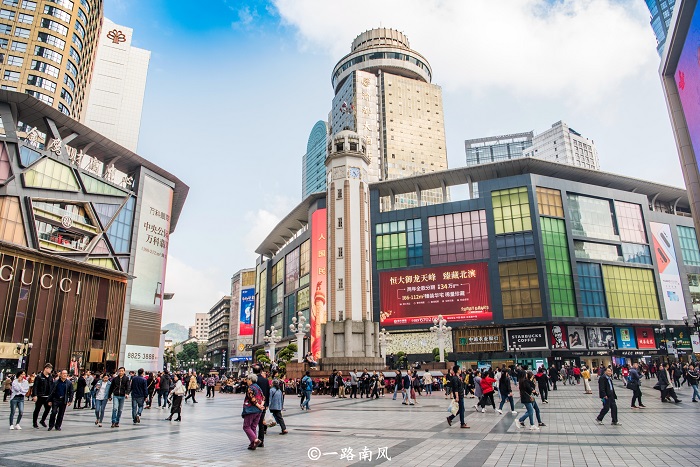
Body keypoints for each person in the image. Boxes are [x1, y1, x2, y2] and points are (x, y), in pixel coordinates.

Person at [242, 374, 265, 450]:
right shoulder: (258, 387)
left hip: (251, 410)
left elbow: (252, 399)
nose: (247, 381)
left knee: (246, 426)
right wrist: (261, 405)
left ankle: (255, 440)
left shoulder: (250, 388)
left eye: (247, 380)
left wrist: (258, 406)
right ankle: (253, 444)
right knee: (253, 427)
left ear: (250, 380)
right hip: (259, 411)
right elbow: (263, 397)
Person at [253, 365, 270, 448]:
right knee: (260, 424)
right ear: (260, 371)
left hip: (254, 404)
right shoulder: (265, 380)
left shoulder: (253, 380)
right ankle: (261, 441)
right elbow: (268, 392)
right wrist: (266, 404)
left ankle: (254, 440)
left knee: (252, 424)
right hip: (263, 404)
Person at [32, 363, 53, 429]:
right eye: (50, 369)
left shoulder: (50, 377)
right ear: (46, 368)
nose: (50, 370)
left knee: (47, 409)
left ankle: (42, 420)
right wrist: (35, 395)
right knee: (37, 409)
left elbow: (51, 386)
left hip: (47, 396)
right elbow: (35, 386)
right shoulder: (39, 376)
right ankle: (34, 423)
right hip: (40, 396)